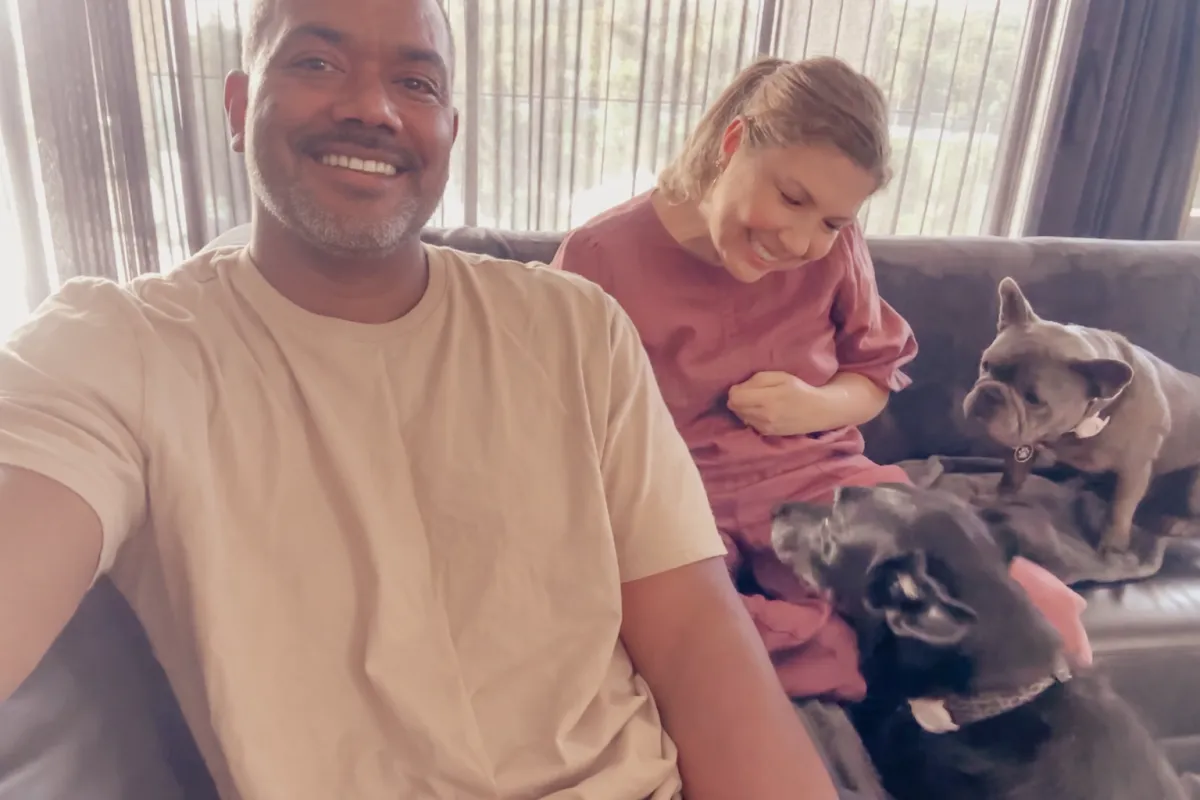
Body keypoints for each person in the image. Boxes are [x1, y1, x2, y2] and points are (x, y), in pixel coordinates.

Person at [0, 2, 844, 799]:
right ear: (239, 106)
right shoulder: (118, 350)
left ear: (450, 131)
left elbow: (698, 639)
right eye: (316, 61)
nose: (372, 108)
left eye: (415, 82)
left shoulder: (575, 329)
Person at [552, 56, 1093, 705]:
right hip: (673, 503)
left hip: (821, 484)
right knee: (691, 631)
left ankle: (843, 651)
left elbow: (873, 376)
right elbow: (558, 434)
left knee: (1034, 611)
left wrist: (812, 405)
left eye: (833, 222)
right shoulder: (599, 257)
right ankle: (828, 652)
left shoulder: (837, 250)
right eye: (792, 198)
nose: (801, 241)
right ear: (733, 143)